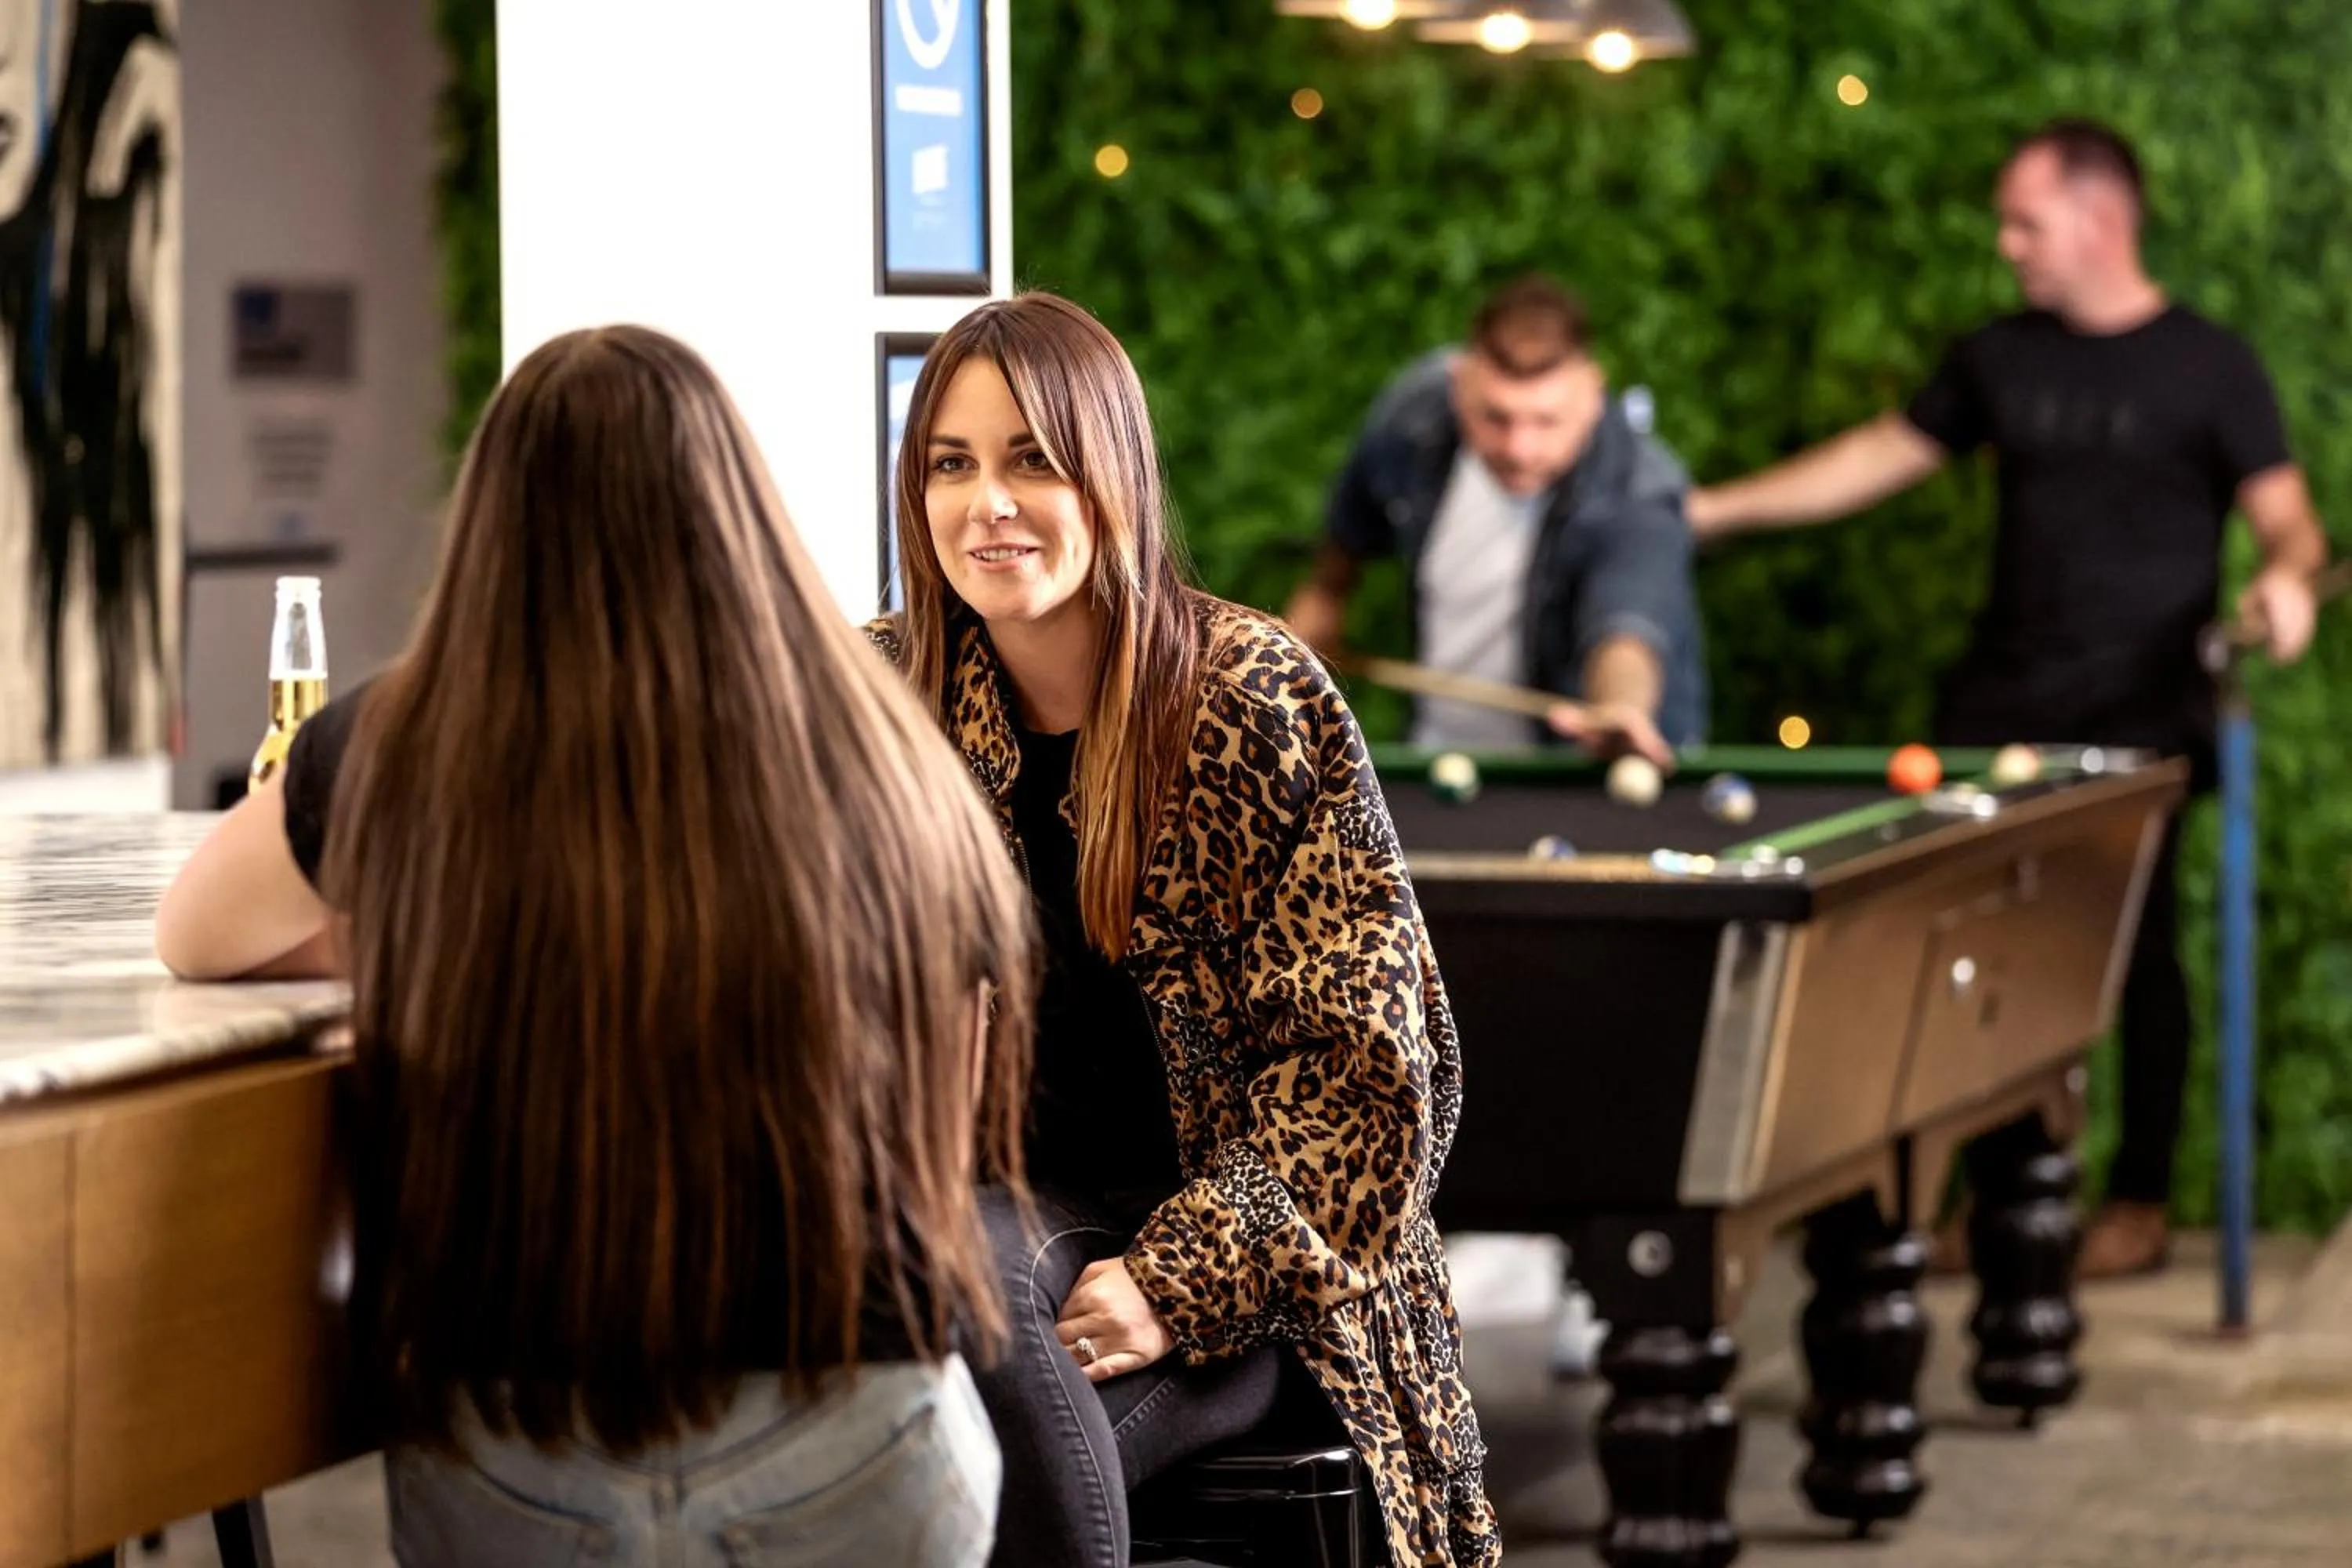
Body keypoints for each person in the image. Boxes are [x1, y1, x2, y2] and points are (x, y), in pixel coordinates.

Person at [155, 325, 1036, 1567]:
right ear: (737, 508)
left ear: (496, 523)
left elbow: (198, 931)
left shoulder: (403, 740)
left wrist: (436, 928)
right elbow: (946, 1139)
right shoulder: (884, 751)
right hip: (860, 1432)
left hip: (518, 1445)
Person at [873, 291, 1498, 1568]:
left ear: (1110, 476)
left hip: (1265, 1268)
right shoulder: (883, 696)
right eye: (951, 464)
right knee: (953, 1280)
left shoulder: (1245, 695)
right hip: (1018, 1208)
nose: (987, 503)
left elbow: (1376, 1089)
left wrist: (1179, 1282)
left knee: (986, 1421)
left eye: (1031, 460)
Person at [1687, 118, 2328, 1279]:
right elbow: (1876, 456)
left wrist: (2287, 584)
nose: (2008, 242)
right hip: (1998, 706)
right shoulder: (1998, 356)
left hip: (2144, 713)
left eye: (2026, 221)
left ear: (2101, 218)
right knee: (1973, 955)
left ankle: (2134, 1206)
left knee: (2137, 954)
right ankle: (1979, 1204)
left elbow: (2289, 522)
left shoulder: (2211, 365)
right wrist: (1713, 511)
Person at [1283, 274, 1704, 767]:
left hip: (1581, 766)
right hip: (1441, 756)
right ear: (1460, 383)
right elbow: (1339, 559)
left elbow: (1628, 632)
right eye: (1496, 417)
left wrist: (1619, 710)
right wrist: (1313, 621)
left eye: (1546, 421)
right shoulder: (1414, 417)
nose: (1519, 449)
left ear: (1592, 394)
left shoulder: (1639, 489)